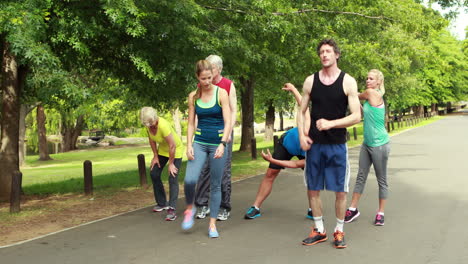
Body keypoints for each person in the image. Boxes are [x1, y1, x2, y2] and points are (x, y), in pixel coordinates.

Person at [296, 39, 361, 249]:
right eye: (321, 52)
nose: (324, 55)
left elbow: (356, 116)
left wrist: (331, 123)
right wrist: (301, 135)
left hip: (337, 145)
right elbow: (301, 111)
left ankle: (339, 230)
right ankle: (319, 230)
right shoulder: (310, 81)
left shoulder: (348, 81)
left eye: (328, 51)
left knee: (340, 191)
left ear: (336, 55)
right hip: (315, 145)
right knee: (312, 189)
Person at [181, 60, 232, 238]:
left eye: (210, 77)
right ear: (197, 77)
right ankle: (189, 208)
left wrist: (223, 143)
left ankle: (212, 224)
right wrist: (188, 145)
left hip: (218, 143)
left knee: (216, 185)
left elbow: (228, 122)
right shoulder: (193, 96)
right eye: (203, 78)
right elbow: (190, 124)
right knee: (189, 180)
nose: (207, 81)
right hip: (200, 142)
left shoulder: (222, 93)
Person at [244, 86, 311, 220]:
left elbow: (295, 164)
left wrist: (273, 160)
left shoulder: (317, 148)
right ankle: (255, 207)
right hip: (286, 144)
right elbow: (302, 103)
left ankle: (312, 209)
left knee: (311, 179)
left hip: (304, 155)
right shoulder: (309, 122)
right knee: (271, 173)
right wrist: (293, 89)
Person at [344, 69, 390, 226]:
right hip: (367, 144)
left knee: (381, 179)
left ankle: (380, 213)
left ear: (378, 82)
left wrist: (345, 88)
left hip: (380, 145)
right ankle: (353, 209)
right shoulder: (370, 97)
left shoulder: (372, 93)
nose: (368, 81)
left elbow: (355, 95)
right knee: (361, 176)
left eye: (371, 79)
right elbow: (365, 113)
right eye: (367, 78)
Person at [194, 55, 237, 221]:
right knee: (203, 169)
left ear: (218, 69)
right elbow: (198, 110)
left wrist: (227, 135)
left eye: (211, 68)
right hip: (204, 134)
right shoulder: (202, 85)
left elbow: (233, 111)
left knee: (222, 171)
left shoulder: (227, 85)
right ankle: (202, 204)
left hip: (222, 133)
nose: (207, 72)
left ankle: (224, 207)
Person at [139, 107, 183, 221]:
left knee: (172, 177)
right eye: (148, 124)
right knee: (154, 173)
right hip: (163, 150)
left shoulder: (163, 125)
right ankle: (162, 203)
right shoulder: (148, 125)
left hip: (175, 150)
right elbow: (151, 140)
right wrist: (155, 156)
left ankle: (172, 209)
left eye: (152, 123)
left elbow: (172, 146)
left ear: (155, 118)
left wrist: (171, 163)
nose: (150, 126)